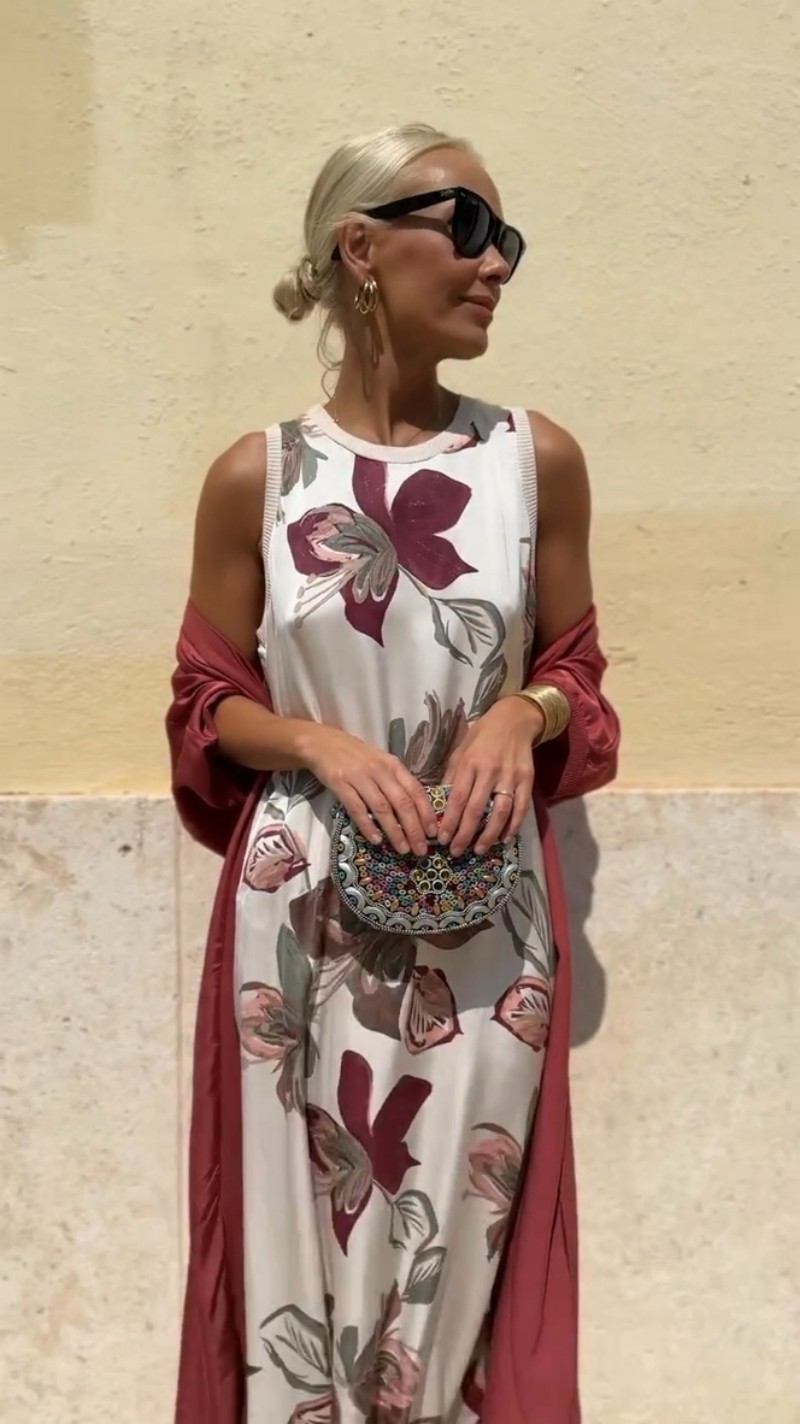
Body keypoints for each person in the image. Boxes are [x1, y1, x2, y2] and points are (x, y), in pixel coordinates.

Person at [167, 122, 620, 1424]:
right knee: (299, 1236)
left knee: (462, 1241)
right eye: (468, 227)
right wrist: (313, 738)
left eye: (506, 238)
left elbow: (583, 678)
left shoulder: (534, 462)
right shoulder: (258, 477)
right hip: (301, 913)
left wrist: (521, 711)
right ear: (360, 249)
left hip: (485, 927)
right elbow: (203, 703)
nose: (497, 264)